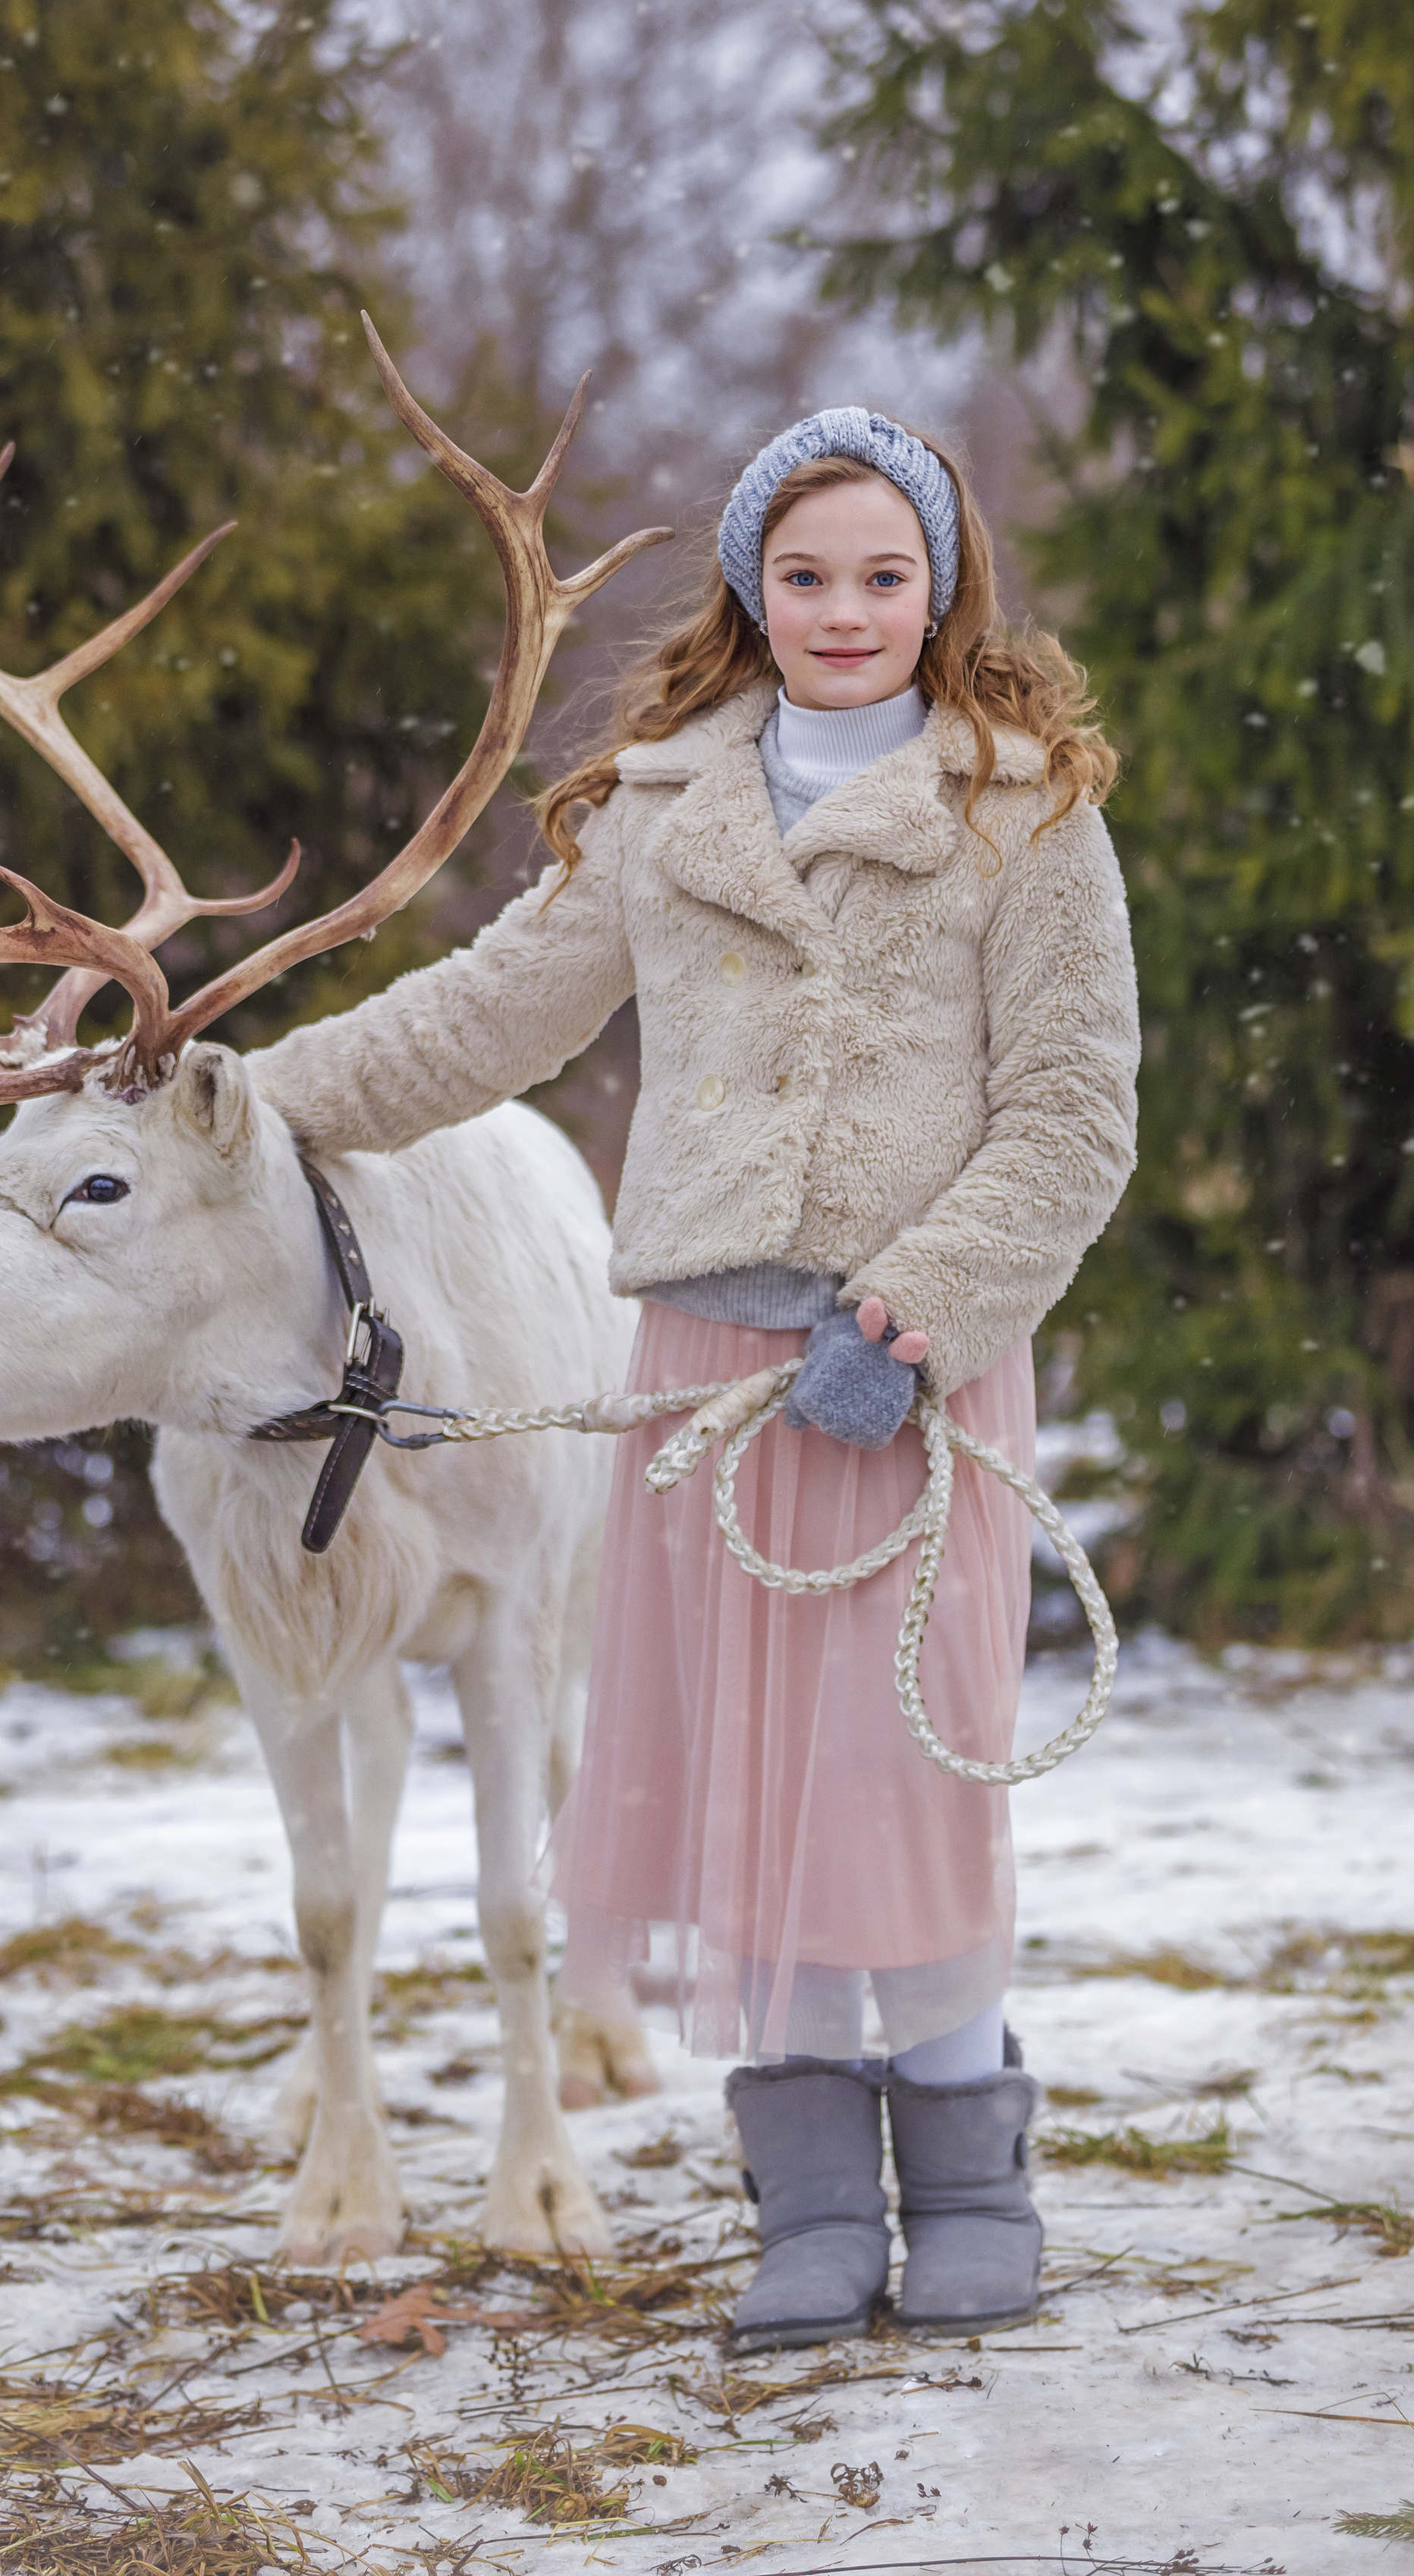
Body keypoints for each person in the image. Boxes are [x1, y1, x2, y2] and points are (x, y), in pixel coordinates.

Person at [249, 406, 1139, 2348]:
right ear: (752, 581)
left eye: (880, 575)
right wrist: (241, 1102)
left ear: (939, 584)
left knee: (901, 1785)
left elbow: (1073, 1117)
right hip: (701, 1378)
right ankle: (808, 2206)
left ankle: (968, 2177)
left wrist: (912, 1314)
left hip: (910, 1382)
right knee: (751, 1796)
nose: (841, 611)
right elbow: (483, 1019)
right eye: (803, 574)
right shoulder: (665, 810)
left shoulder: (1024, 807)